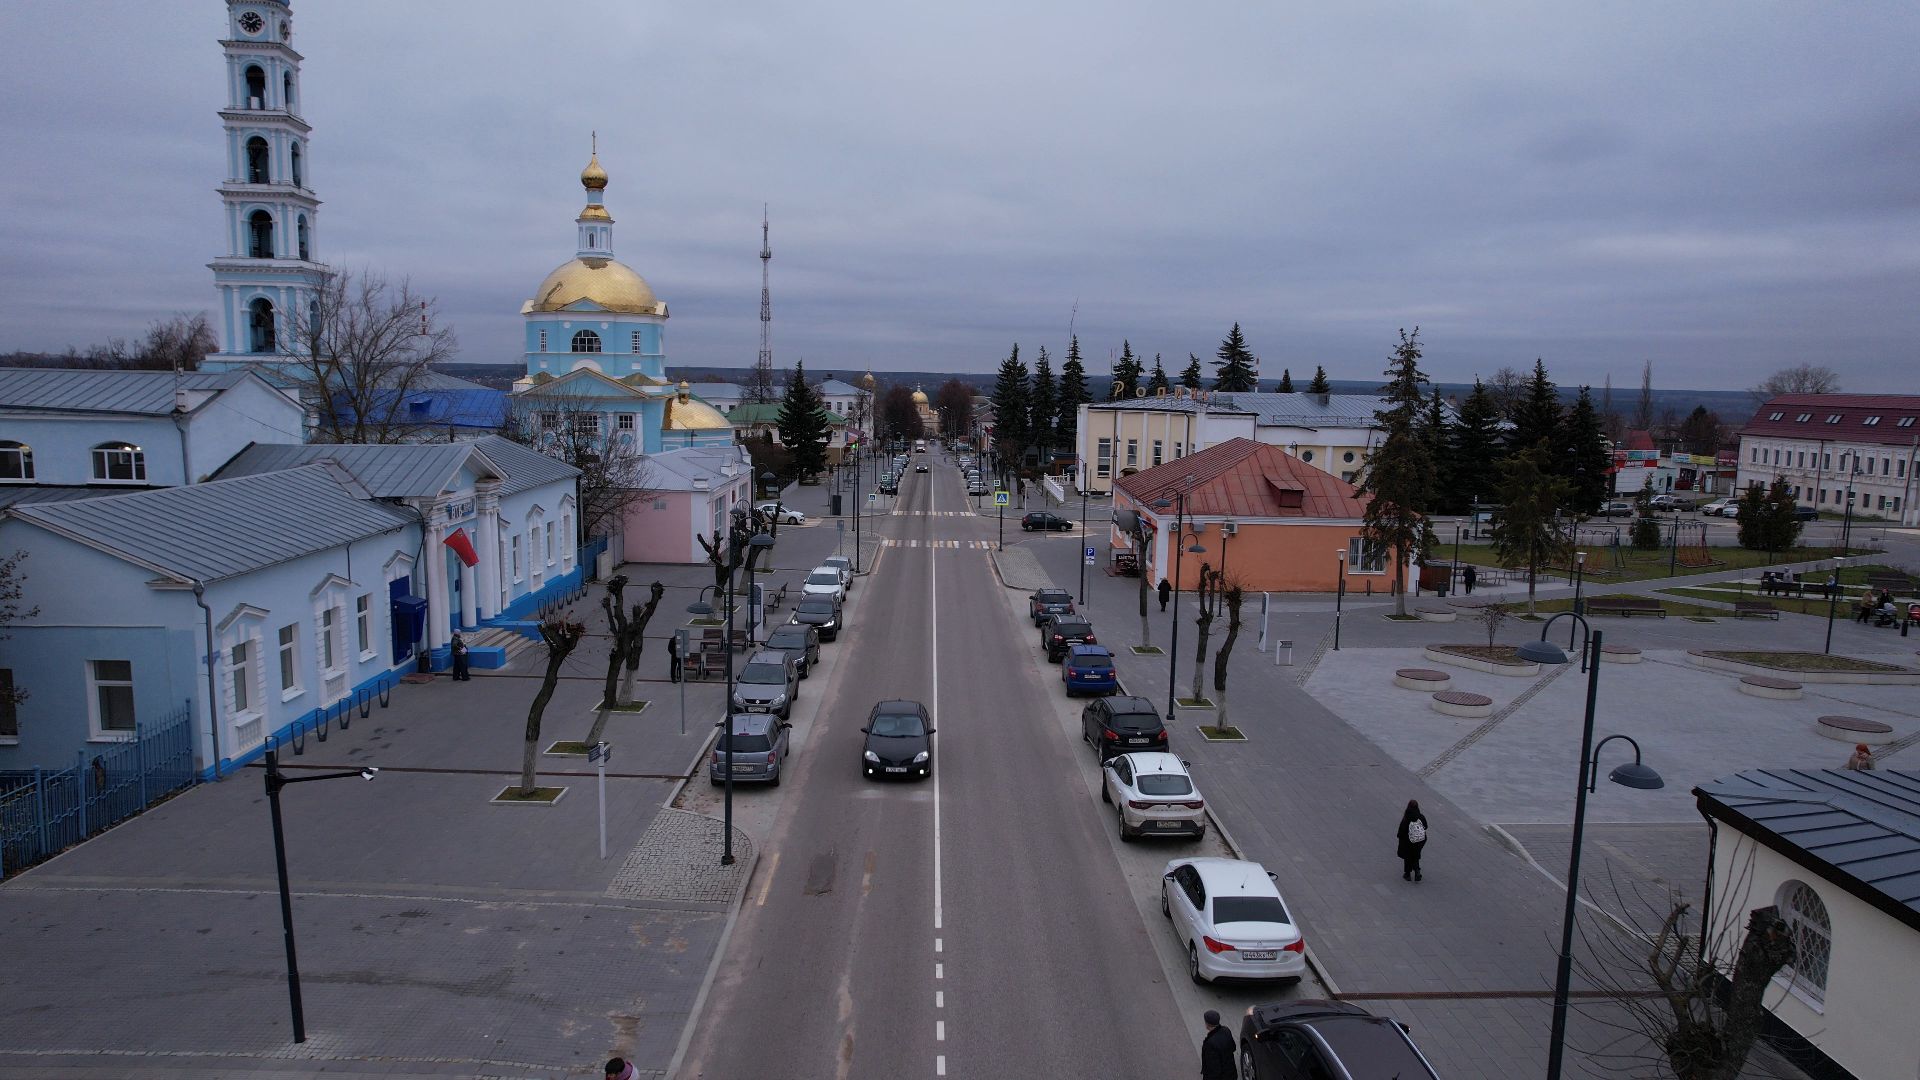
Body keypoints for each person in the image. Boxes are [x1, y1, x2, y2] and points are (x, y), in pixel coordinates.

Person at [1396, 799, 1428, 882]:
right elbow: (1426, 826)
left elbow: (1402, 830)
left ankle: (1407, 874)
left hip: (1408, 841)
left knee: (1408, 857)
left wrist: (1399, 837)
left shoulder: (1406, 818)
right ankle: (1417, 872)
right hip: (1420, 840)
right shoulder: (1421, 816)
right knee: (1416, 855)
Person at [1200, 1009, 1235, 1080]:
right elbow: (1233, 1047)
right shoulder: (1226, 1030)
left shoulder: (1210, 1044)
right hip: (1231, 1072)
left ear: (1207, 1024)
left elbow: (1213, 1069)